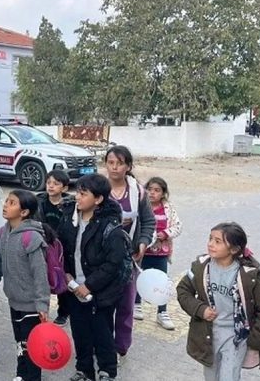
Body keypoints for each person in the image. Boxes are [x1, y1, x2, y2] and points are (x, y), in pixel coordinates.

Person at [177, 222, 260, 381]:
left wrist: (255, 340)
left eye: (218, 241)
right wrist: (200, 309)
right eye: (210, 238)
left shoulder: (247, 277)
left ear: (234, 249)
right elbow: (183, 291)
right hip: (208, 336)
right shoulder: (201, 268)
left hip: (235, 339)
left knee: (228, 377)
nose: (211, 244)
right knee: (211, 377)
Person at [58, 174, 128, 381]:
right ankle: (84, 370)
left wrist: (89, 285)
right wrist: (66, 275)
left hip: (100, 292)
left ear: (98, 199)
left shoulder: (109, 227)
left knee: (102, 333)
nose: (77, 197)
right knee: (80, 332)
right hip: (73, 288)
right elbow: (62, 249)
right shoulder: (69, 219)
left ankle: (107, 371)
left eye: (83, 193)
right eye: (77, 192)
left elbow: (112, 264)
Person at [0, 190, 50, 381]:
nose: (5, 205)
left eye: (12, 203)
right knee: (20, 343)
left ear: (24, 212)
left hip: (31, 304)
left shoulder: (31, 238)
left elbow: (40, 274)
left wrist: (42, 303)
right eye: (6, 201)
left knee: (32, 346)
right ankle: (21, 375)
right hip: (14, 301)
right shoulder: (1, 234)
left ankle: (33, 377)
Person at [104, 145, 156, 363]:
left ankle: (122, 345)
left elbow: (149, 222)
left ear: (128, 166)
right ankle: (104, 343)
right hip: (103, 259)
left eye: (120, 163)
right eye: (110, 162)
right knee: (104, 304)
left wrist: (143, 243)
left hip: (130, 259)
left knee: (126, 305)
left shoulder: (139, 192)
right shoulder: (97, 188)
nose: (115, 167)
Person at [134, 177, 182, 330]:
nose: (152, 193)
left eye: (157, 190)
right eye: (150, 189)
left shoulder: (168, 208)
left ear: (163, 193)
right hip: (143, 251)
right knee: (140, 278)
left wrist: (165, 234)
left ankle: (162, 312)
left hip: (161, 253)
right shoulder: (141, 207)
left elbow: (178, 226)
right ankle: (136, 305)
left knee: (162, 282)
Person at [36, 170, 72, 326]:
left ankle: (64, 312)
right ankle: (41, 310)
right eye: (49, 182)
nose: (51, 186)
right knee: (43, 278)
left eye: (56, 184)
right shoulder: (39, 202)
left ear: (64, 188)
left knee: (62, 278)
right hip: (44, 244)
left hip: (63, 248)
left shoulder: (70, 205)